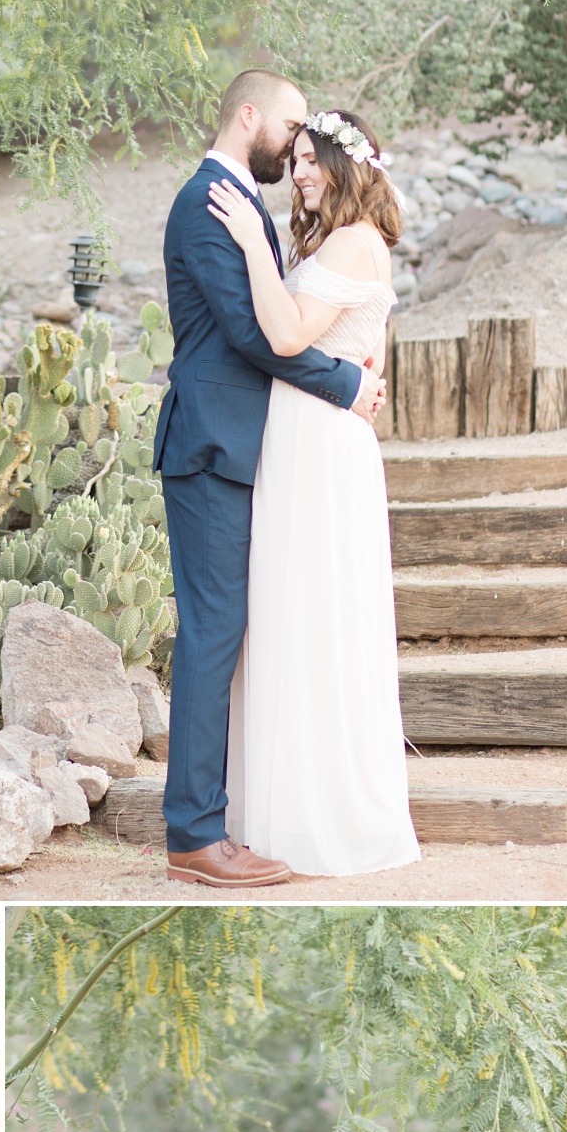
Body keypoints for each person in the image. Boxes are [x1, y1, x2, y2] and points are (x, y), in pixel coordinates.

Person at [153, 68, 384, 889]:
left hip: (248, 449)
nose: (294, 149)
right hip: (212, 449)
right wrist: (346, 385)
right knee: (212, 635)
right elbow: (256, 336)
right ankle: (193, 834)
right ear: (246, 114)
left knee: (235, 635)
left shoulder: (242, 202)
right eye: (288, 130)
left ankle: (227, 815)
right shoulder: (206, 203)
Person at [205, 108, 420, 878]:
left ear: (348, 165)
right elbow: (371, 360)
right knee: (292, 620)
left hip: (320, 449)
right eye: (293, 159)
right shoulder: (342, 244)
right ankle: (282, 806)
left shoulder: (357, 243)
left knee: (314, 620)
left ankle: (322, 816)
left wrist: (248, 248)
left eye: (312, 160)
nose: (299, 173)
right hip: (306, 437)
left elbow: (291, 336)